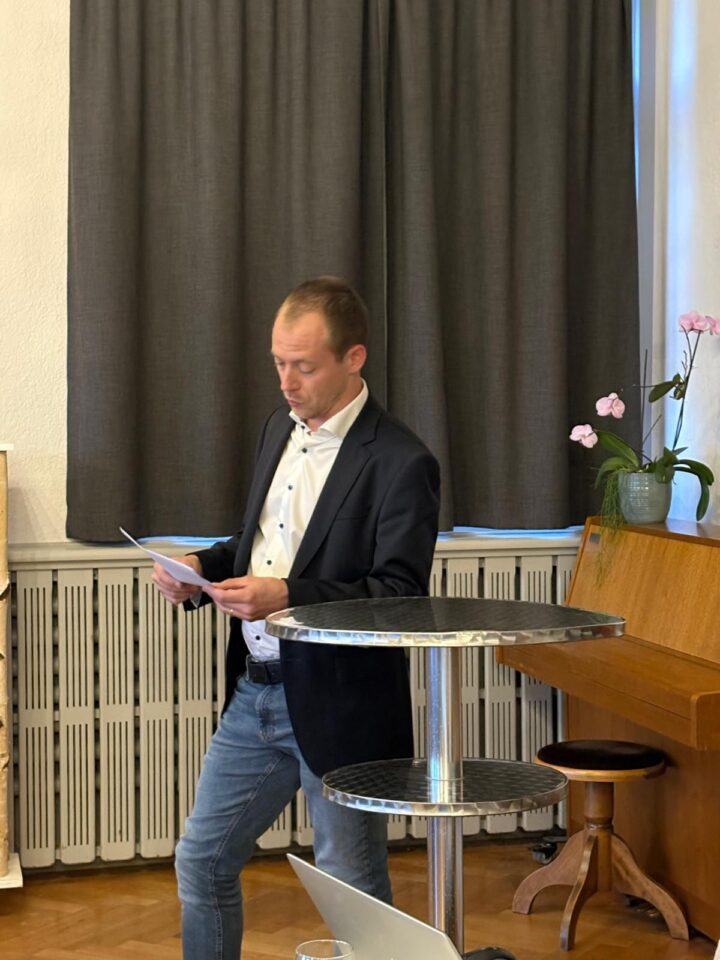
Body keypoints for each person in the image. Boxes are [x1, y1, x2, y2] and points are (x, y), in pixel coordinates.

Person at [152, 276, 441, 959]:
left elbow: (398, 594)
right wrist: (199, 566)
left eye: (304, 366)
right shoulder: (274, 430)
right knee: (201, 860)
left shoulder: (402, 461)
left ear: (353, 358)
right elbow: (257, 544)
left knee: (351, 884)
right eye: (278, 362)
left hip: (341, 703)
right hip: (254, 693)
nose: (286, 382)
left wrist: (286, 596)